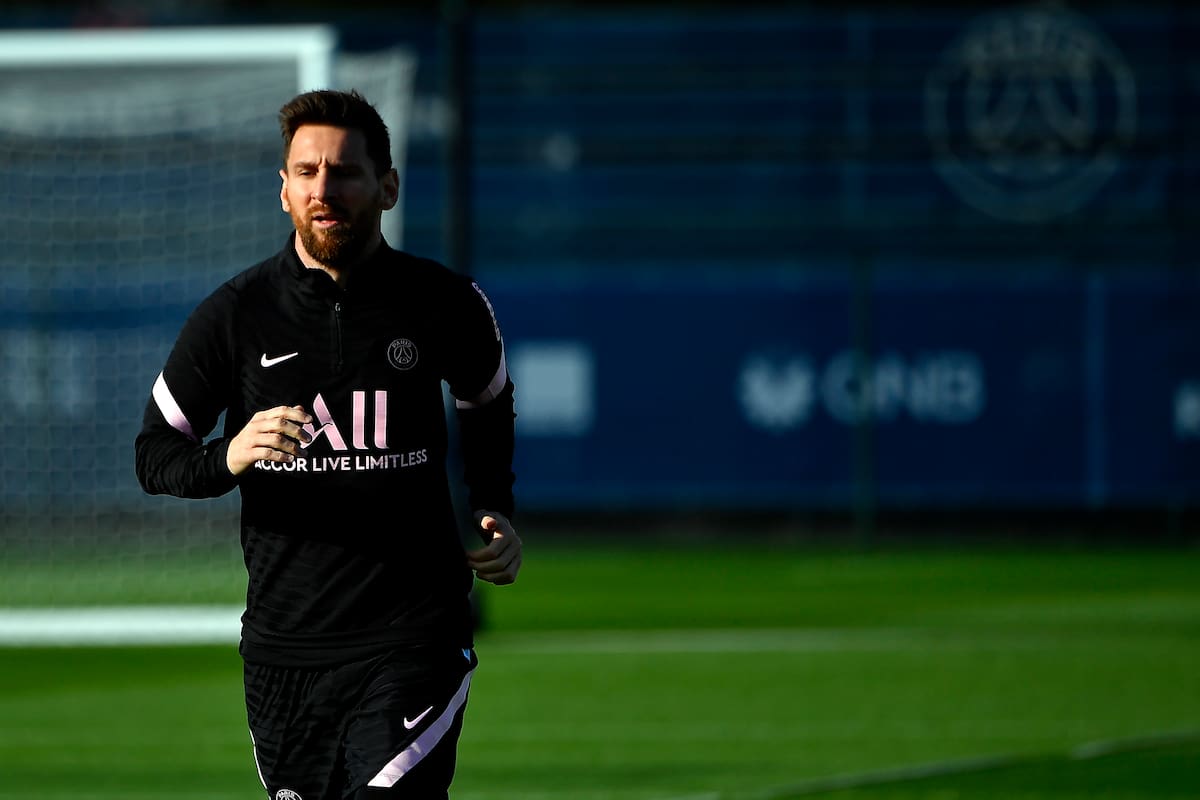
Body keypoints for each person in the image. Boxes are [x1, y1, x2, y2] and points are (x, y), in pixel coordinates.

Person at [135, 89, 520, 800]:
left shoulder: (444, 301)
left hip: (415, 633)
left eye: (344, 172)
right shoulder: (236, 313)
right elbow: (155, 453)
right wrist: (230, 455)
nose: (324, 189)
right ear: (283, 189)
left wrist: (494, 503)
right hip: (285, 648)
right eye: (306, 172)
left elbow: (487, 399)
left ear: (387, 187)